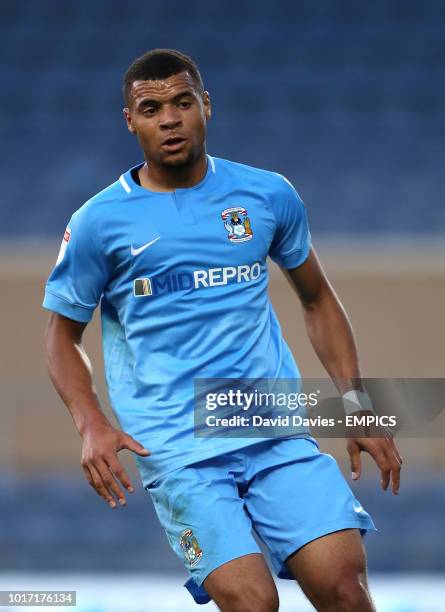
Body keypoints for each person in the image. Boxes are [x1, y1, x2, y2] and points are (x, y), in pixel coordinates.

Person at [43, 49, 402, 611]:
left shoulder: (267, 195)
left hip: (272, 427)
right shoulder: (98, 223)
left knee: (346, 591)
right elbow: (61, 336)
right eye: (151, 107)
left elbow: (317, 299)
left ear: (205, 106)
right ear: (130, 120)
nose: (169, 118)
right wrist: (91, 423)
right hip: (178, 447)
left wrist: (354, 402)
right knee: (253, 603)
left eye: (182, 102)